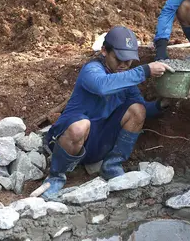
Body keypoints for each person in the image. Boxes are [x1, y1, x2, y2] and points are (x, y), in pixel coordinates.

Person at [42, 26, 174, 198]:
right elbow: (103, 86)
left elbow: (141, 113)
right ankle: (56, 177)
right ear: (104, 51)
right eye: (119, 59)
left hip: (97, 145)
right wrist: (145, 70)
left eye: (128, 61)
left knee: (137, 109)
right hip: (67, 141)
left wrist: (161, 105)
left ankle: (111, 166)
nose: (124, 65)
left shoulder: (126, 80)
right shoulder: (92, 70)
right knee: (80, 126)